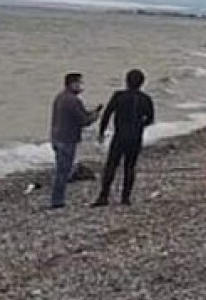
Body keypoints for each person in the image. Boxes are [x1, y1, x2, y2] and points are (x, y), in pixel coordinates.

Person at [93, 69, 155, 207]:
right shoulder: (145, 99)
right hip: (135, 136)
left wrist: (101, 132)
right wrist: (140, 125)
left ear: (126, 81)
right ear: (142, 83)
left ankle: (104, 196)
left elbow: (107, 114)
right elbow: (150, 119)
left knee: (111, 165)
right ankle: (125, 198)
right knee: (130, 167)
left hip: (120, 135)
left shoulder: (119, 96)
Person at [49, 73, 102, 210]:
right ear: (72, 84)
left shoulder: (60, 97)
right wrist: (95, 116)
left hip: (56, 137)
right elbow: (84, 121)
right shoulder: (73, 100)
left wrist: (89, 114)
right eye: (79, 83)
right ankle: (57, 201)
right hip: (67, 139)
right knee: (63, 172)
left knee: (62, 169)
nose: (81, 86)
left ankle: (57, 199)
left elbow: (78, 115)